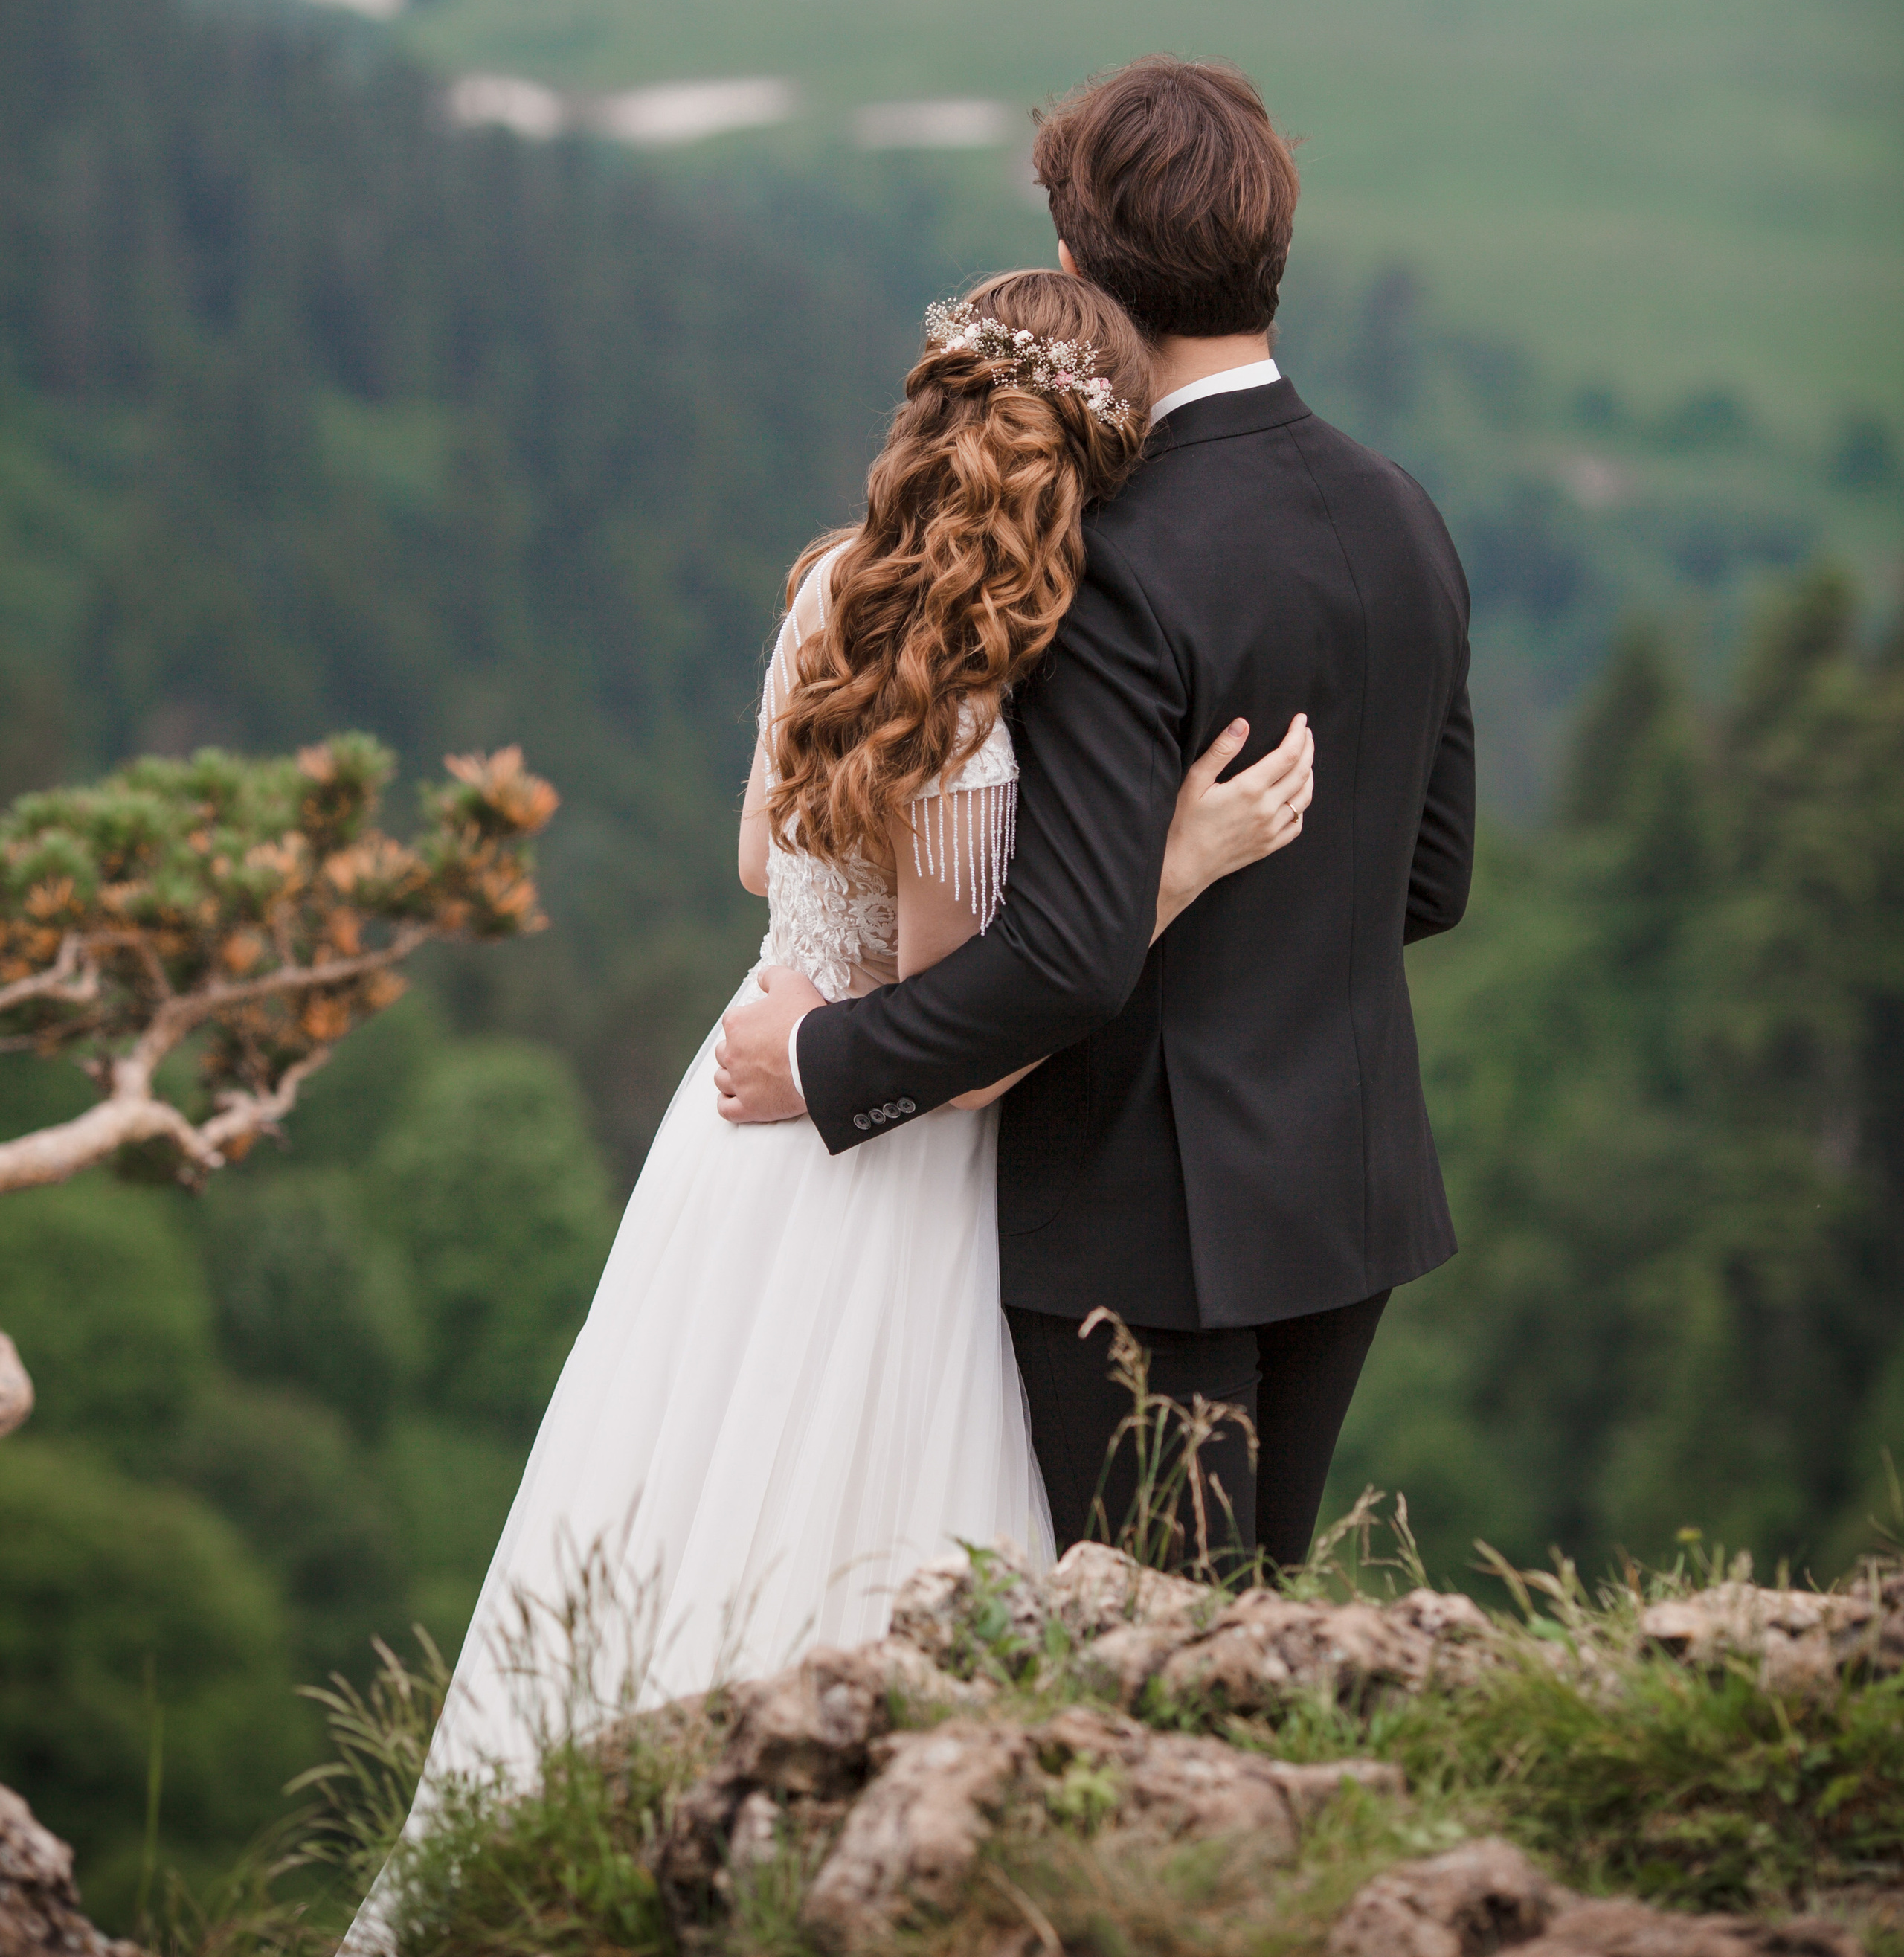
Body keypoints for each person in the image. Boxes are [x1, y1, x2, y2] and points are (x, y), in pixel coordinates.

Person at [350, 264, 1312, 1927]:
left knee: (671, 1479)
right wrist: (1166, 871)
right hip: (867, 1152)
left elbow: (752, 860)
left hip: (730, 1132)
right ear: (1083, 467)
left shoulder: (827, 590)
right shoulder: (972, 693)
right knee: (847, 1532)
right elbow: (968, 1043)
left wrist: (817, 952)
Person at [715, 57, 1474, 1573]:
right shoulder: (1398, 508)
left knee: (1150, 1668)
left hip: (1136, 1220)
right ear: (1270, 247)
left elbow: (1060, 957)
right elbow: (1428, 876)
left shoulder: (1093, 554)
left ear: (1076, 262)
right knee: (1247, 1648)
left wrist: (822, 1055)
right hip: (1346, 1188)